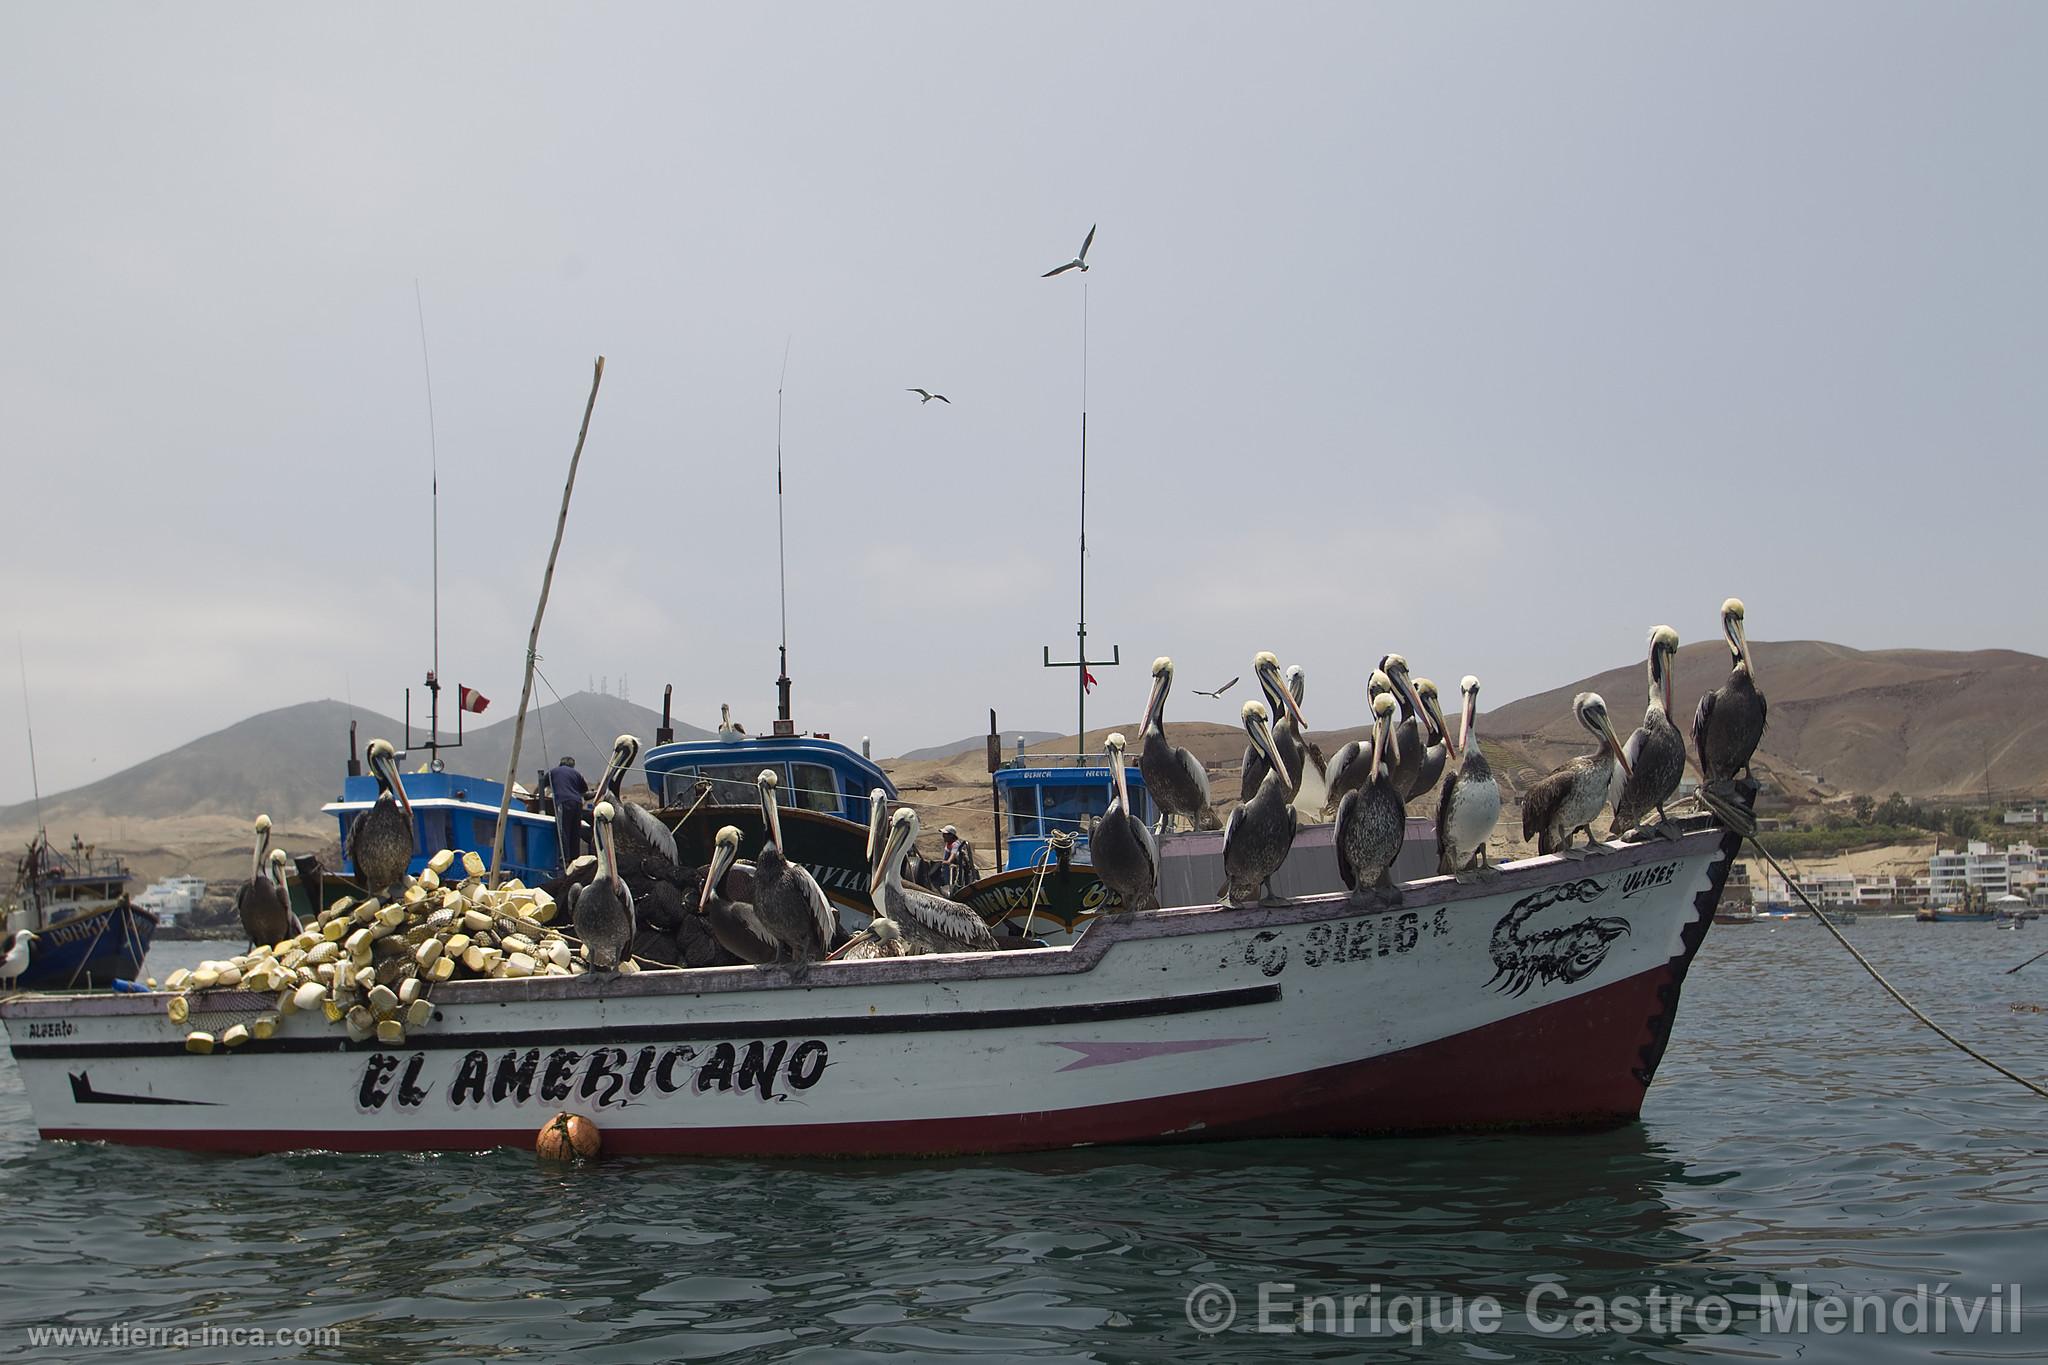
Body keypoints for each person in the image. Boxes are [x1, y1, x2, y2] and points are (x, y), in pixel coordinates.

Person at [548, 756, 590, 870]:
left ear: (560, 763)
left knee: (563, 830)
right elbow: (584, 790)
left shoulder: (554, 771)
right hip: (577, 803)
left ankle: (564, 861)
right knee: (575, 832)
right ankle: (575, 861)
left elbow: (542, 782)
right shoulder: (576, 773)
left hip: (563, 802)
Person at [938, 824, 976, 896]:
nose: (943, 836)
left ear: (951, 836)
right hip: (953, 863)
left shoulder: (955, 844)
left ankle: (949, 886)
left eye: (945, 834)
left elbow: (953, 854)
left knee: (947, 867)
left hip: (961, 865)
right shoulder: (948, 844)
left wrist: (948, 862)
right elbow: (946, 856)